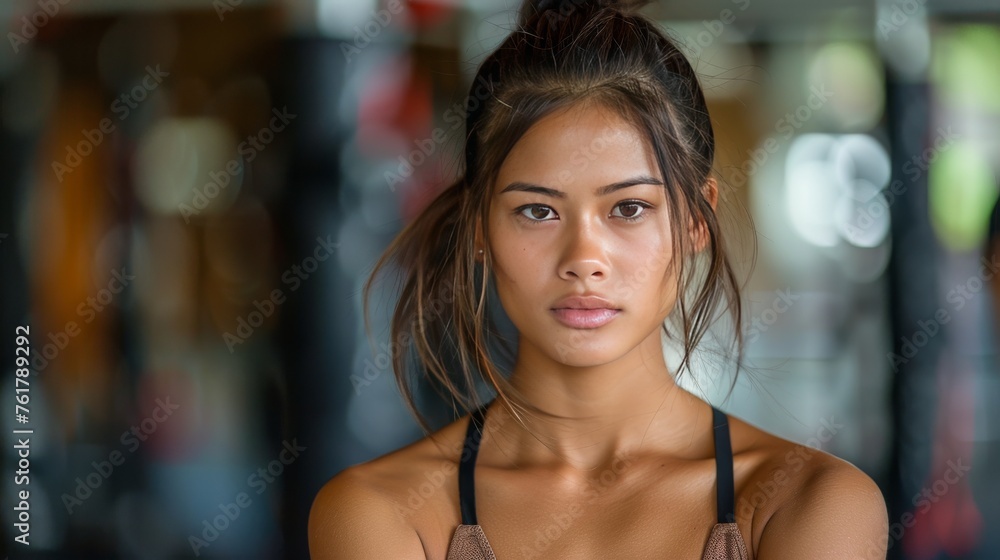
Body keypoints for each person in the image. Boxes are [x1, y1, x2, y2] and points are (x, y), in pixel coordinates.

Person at [309, 0, 888, 558]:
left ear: (695, 220)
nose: (584, 258)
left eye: (629, 208)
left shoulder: (806, 503)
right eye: (538, 211)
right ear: (478, 228)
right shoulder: (382, 513)